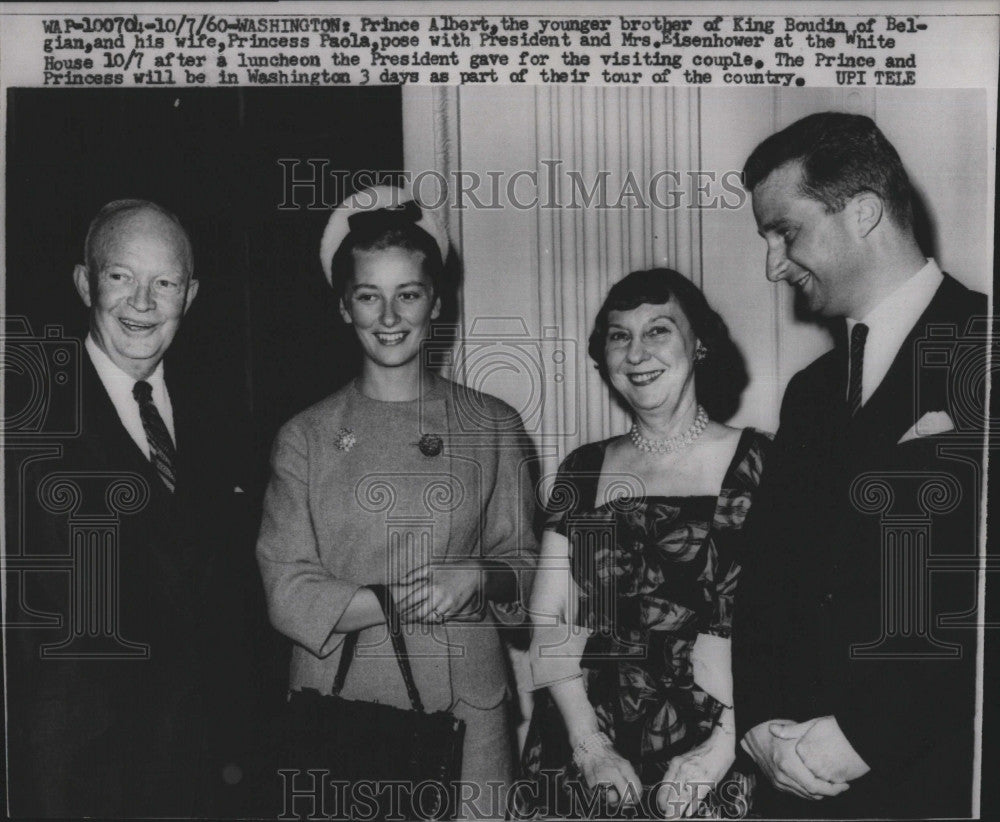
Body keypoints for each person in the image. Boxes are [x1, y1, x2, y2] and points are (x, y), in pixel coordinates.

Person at [733, 112, 987, 818]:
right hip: (790, 783)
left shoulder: (986, 350)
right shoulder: (811, 393)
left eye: (786, 231)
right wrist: (759, 728)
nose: (772, 264)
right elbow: (766, 579)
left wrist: (867, 736)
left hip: (929, 780)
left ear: (864, 213)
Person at [256, 186, 538, 820]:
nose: (389, 316)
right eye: (368, 295)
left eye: (407, 294)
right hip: (344, 705)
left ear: (435, 301)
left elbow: (523, 565)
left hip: (470, 707)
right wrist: (393, 599)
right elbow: (287, 587)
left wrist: (479, 575)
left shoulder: (491, 424)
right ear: (343, 307)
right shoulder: (304, 436)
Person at [6, 199, 253, 817]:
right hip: (75, 783)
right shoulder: (25, 422)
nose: (142, 303)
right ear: (85, 282)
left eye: (164, 283)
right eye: (121, 277)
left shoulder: (225, 420)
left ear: (190, 294)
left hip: (206, 781)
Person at [518, 269, 769, 819]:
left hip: (719, 753)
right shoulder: (582, 470)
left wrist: (721, 752)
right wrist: (589, 748)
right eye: (618, 335)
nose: (636, 352)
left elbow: (789, 628)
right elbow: (548, 618)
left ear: (699, 343)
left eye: (658, 330)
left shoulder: (764, 465)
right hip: (583, 745)